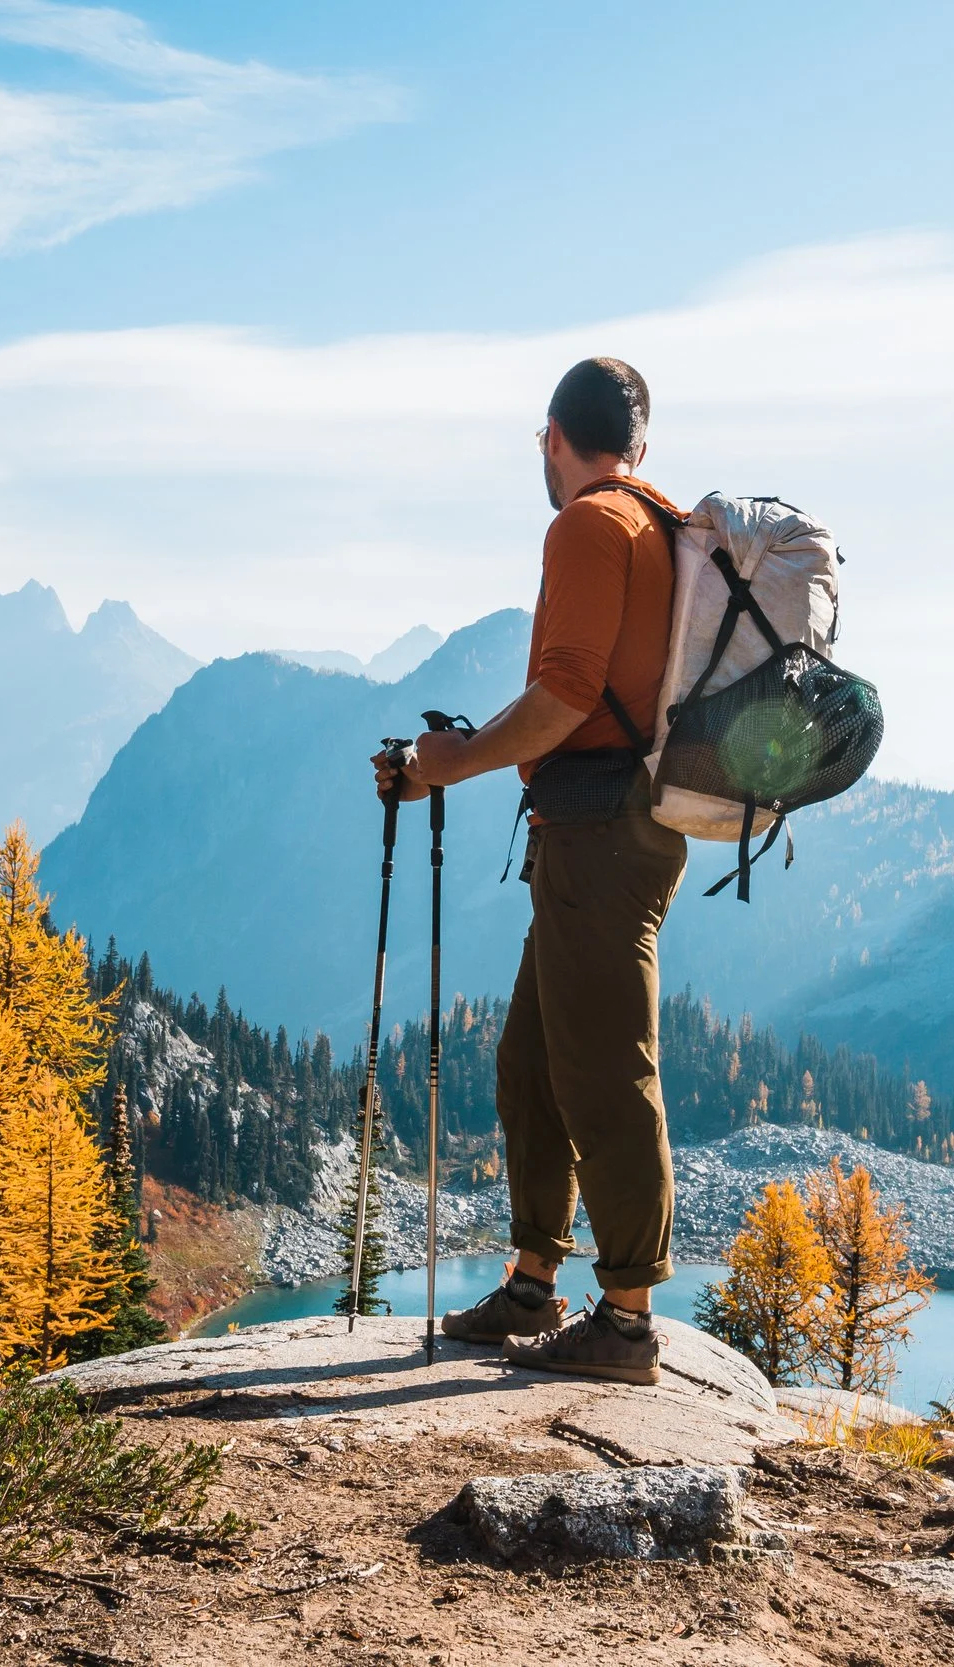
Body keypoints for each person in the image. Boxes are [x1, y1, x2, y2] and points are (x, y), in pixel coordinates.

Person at [371, 356, 686, 1385]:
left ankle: (627, 1319)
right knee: (531, 1061)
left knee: (604, 1067)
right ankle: (530, 1282)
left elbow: (561, 695)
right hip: (598, 826)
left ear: (552, 436)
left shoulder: (591, 523)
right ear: (636, 441)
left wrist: (443, 764)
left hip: (598, 831)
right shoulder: (658, 523)